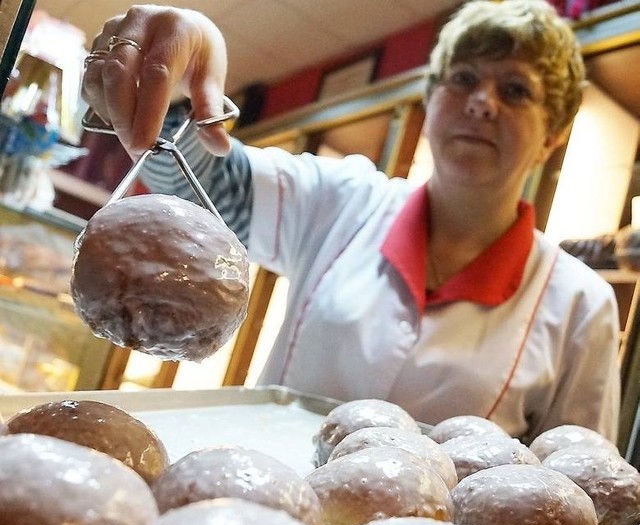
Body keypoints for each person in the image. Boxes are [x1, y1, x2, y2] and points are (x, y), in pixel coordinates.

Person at [81, 0, 620, 445]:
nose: (482, 102)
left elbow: (573, 491)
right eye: (463, 78)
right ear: (430, 102)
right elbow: (198, 182)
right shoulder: (340, 199)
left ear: (553, 134)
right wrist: (167, 86)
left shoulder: (580, 305)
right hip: (259, 520)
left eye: (516, 90)